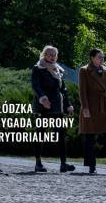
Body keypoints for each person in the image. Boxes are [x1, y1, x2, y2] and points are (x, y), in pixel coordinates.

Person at [31, 44, 75, 173]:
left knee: (60, 135)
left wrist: (68, 105)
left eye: (54, 55)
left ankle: (63, 163)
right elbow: (36, 85)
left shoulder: (57, 69)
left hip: (57, 106)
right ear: (44, 55)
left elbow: (63, 89)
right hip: (43, 106)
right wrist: (43, 98)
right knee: (40, 134)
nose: (52, 57)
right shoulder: (38, 68)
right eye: (50, 54)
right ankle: (38, 163)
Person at [79, 48, 106, 174]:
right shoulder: (84, 70)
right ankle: (92, 166)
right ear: (92, 57)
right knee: (90, 137)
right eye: (99, 57)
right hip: (91, 107)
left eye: (102, 57)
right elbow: (82, 91)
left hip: (105, 107)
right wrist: (85, 107)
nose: (102, 59)